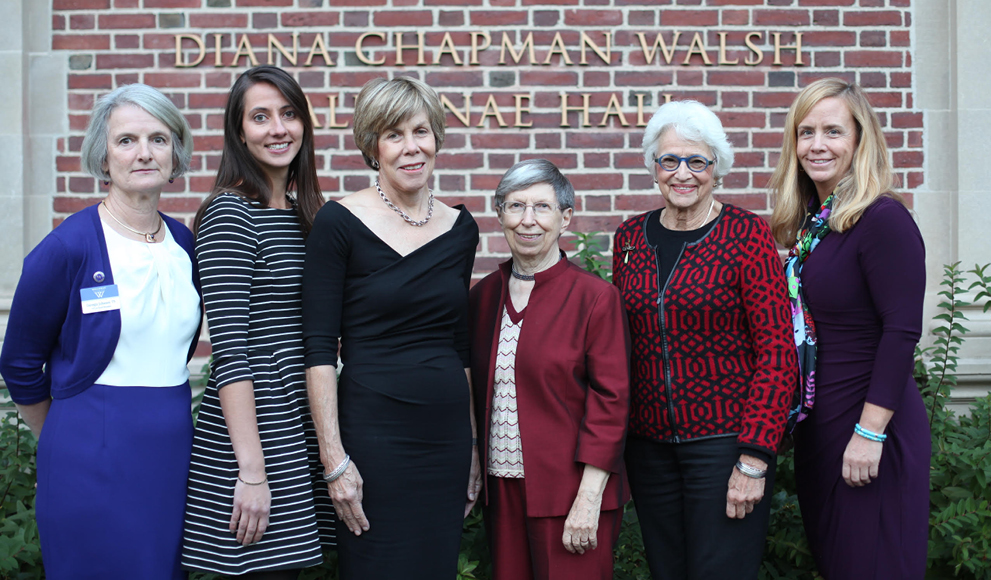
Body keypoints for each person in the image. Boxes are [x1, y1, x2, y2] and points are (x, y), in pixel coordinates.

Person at [0, 83, 199, 579]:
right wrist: (62, 437)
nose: (145, 152)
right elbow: (19, 360)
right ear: (103, 157)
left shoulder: (184, 243)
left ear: (175, 153)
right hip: (86, 448)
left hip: (170, 450)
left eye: (158, 138)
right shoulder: (68, 247)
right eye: (126, 140)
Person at [302, 76, 480, 579]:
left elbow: (459, 345)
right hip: (372, 438)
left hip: (443, 437)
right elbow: (317, 349)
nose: (411, 148)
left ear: (437, 136)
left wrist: (469, 446)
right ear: (372, 146)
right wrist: (333, 459)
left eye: (420, 131)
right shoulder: (339, 222)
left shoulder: (460, 228)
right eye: (394, 135)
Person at [612, 100, 798, 580]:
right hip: (649, 449)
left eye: (697, 161)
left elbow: (777, 354)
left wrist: (755, 456)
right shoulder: (630, 239)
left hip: (724, 448)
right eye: (669, 160)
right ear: (654, 167)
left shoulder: (747, 235)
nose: (682, 173)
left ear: (717, 169)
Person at [769, 78, 929, 579]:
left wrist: (869, 432)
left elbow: (902, 331)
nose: (817, 145)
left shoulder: (883, 219)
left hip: (870, 429)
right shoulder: (819, 225)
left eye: (833, 131)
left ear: (861, 140)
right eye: (806, 131)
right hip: (826, 431)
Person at [181, 66, 334, 578]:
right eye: (260, 116)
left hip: (299, 415)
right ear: (239, 131)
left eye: (289, 114)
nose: (278, 129)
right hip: (259, 427)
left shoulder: (305, 213)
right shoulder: (230, 213)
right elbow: (229, 348)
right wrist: (250, 472)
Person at [468, 159, 631, 580]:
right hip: (502, 489)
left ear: (565, 217)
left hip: (572, 493)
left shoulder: (595, 298)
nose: (528, 221)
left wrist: (589, 497)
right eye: (515, 206)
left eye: (541, 207)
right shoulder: (483, 297)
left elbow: (611, 403)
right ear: (500, 214)